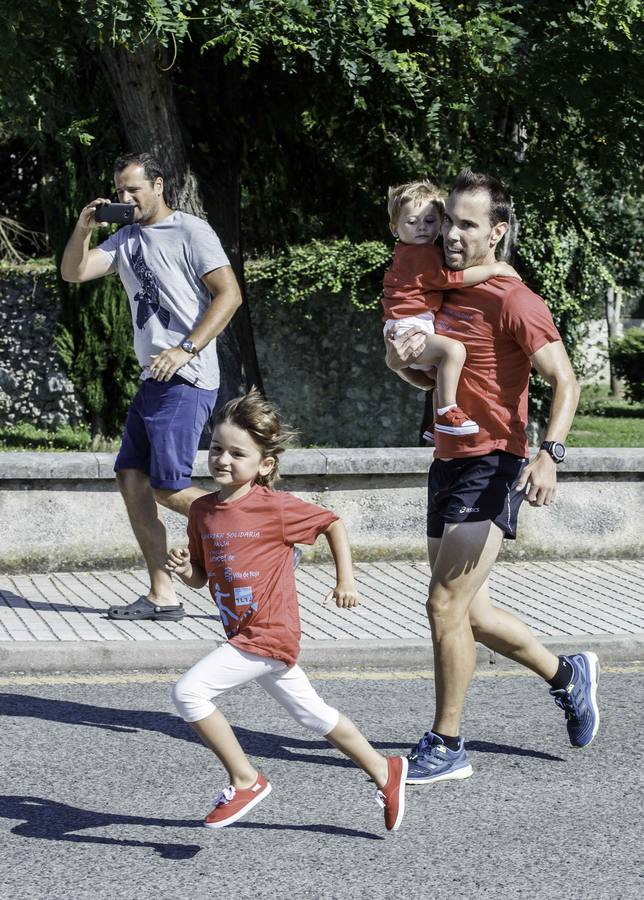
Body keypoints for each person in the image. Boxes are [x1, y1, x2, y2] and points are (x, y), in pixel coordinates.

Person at [386, 169, 599, 785]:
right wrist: (400, 364)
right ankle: (567, 675)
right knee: (469, 614)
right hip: (447, 461)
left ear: (497, 231)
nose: (451, 233)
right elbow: (423, 376)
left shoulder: (514, 298)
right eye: (448, 219)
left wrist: (548, 454)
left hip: (494, 462)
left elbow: (567, 380)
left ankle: (447, 742)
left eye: (467, 224)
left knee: (442, 605)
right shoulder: (442, 290)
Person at [166, 389, 407, 830]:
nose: (223, 459)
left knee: (189, 693)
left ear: (264, 465)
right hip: (243, 633)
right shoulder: (202, 511)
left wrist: (345, 580)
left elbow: (331, 521)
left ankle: (246, 779)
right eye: (217, 448)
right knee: (312, 714)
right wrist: (186, 573)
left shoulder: (275, 508)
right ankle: (384, 770)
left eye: (238, 453)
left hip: (269, 633)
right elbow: (203, 576)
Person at [60, 151, 242, 621]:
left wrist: (186, 348)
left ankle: (260, 530)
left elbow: (230, 294)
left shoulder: (191, 231)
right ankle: (163, 595)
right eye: (119, 190)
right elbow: (74, 272)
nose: (125, 197)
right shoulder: (124, 240)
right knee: (133, 479)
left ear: (158, 185)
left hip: (185, 375)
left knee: (166, 485)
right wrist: (84, 229)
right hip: (153, 378)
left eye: (133, 189)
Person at [383, 180, 521, 440]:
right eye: (412, 222)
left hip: (405, 325)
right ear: (394, 228)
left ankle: (437, 425)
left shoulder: (412, 250)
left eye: (431, 221)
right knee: (454, 351)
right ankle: (447, 413)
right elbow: (448, 279)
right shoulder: (419, 254)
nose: (422, 228)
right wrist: (495, 269)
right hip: (409, 327)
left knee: (441, 376)